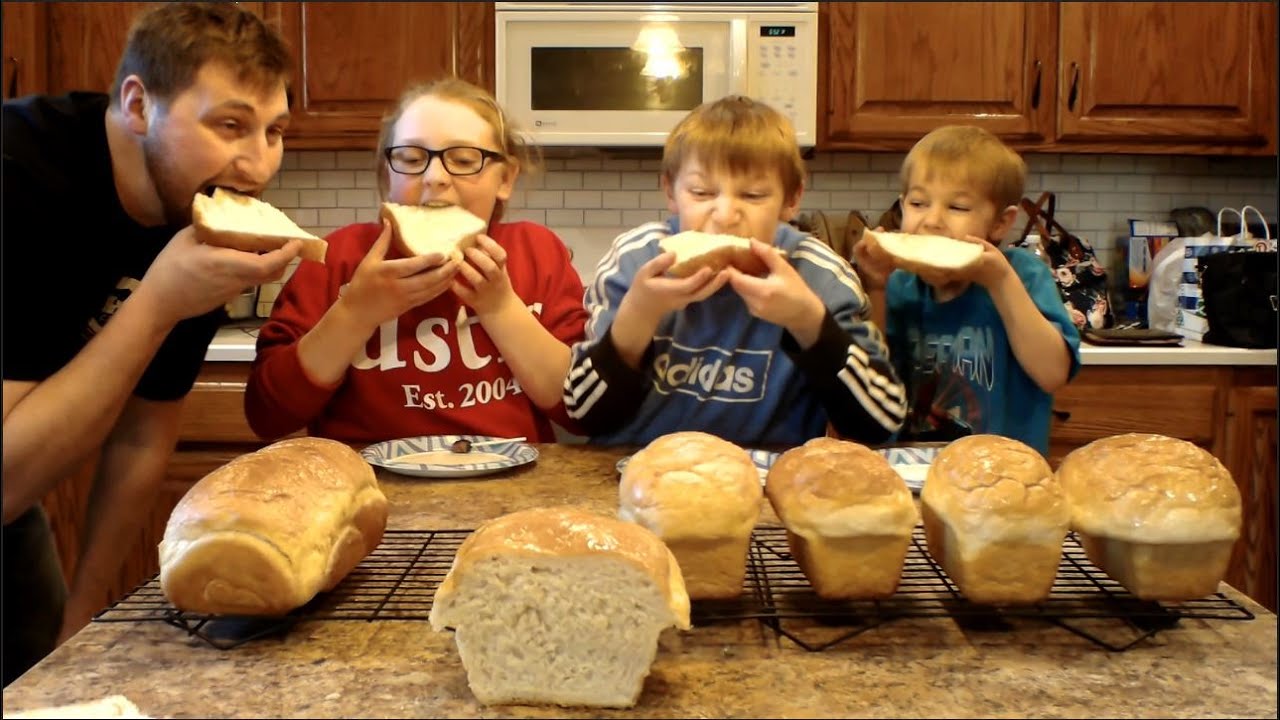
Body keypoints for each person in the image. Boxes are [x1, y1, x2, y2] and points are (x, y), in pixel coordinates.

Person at [1, 2, 301, 685]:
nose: (259, 162)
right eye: (230, 125)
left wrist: (84, 619)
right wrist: (159, 302)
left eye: (275, 131)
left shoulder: (191, 208)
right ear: (139, 105)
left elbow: (143, 437)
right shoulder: (19, 179)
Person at [244, 78, 588, 445]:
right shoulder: (338, 257)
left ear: (505, 178)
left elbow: (579, 412)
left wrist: (500, 307)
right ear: (386, 173)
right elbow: (268, 416)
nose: (435, 177)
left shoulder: (538, 253)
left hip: (514, 476)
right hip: (365, 476)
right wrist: (355, 313)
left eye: (464, 160)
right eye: (410, 159)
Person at [562, 95, 906, 447]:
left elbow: (881, 422)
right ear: (671, 192)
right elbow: (583, 412)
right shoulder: (633, 261)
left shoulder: (821, 276)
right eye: (701, 192)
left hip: (767, 477)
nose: (725, 215)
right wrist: (639, 314)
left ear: (791, 199)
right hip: (635, 472)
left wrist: (808, 321)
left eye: (753, 195)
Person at [852, 124, 1082, 455]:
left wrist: (1000, 282)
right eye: (918, 203)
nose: (932, 220)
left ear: (1000, 223)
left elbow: (1052, 374)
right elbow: (873, 382)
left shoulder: (1022, 275)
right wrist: (875, 286)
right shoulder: (899, 284)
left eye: (957, 207)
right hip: (910, 467)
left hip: (1004, 472)